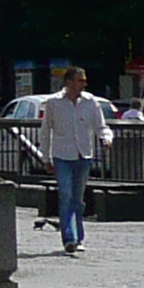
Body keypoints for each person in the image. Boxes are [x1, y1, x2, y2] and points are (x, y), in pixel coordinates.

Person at [41, 66, 117, 254]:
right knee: (65, 195)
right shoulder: (53, 103)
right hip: (62, 156)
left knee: (77, 198)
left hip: (84, 155)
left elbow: (101, 126)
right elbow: (45, 131)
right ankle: (69, 238)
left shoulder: (91, 102)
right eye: (80, 80)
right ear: (69, 82)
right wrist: (46, 157)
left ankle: (78, 237)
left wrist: (106, 138)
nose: (84, 83)